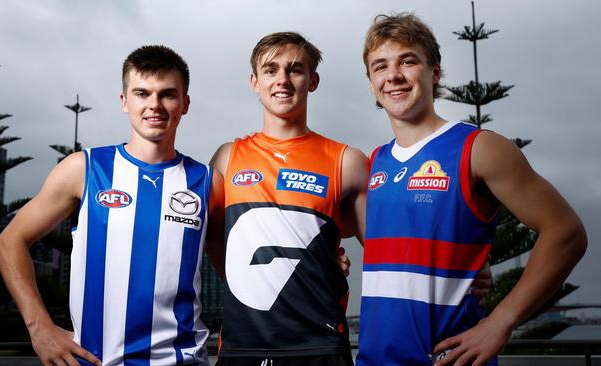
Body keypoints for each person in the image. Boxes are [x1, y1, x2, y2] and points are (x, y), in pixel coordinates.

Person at [356, 13, 587, 366]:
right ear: (372, 84)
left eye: (408, 60)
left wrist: (501, 321)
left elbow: (567, 232)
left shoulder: (478, 148)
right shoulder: (376, 162)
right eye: (380, 66)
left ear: (434, 72)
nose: (393, 76)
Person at [0, 45, 224, 366]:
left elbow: (234, 275)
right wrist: (39, 328)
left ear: (184, 104)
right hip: (96, 361)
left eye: (167, 94)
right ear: (124, 101)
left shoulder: (207, 182)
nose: (154, 105)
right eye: (142, 93)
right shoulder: (84, 168)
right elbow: (9, 243)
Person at [210, 32, 370, 366]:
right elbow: (206, 241)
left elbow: (389, 251)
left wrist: (468, 270)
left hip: (319, 347)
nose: (282, 79)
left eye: (294, 69)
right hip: (243, 347)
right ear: (255, 81)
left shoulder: (347, 161)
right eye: (271, 70)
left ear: (313, 80)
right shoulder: (227, 159)